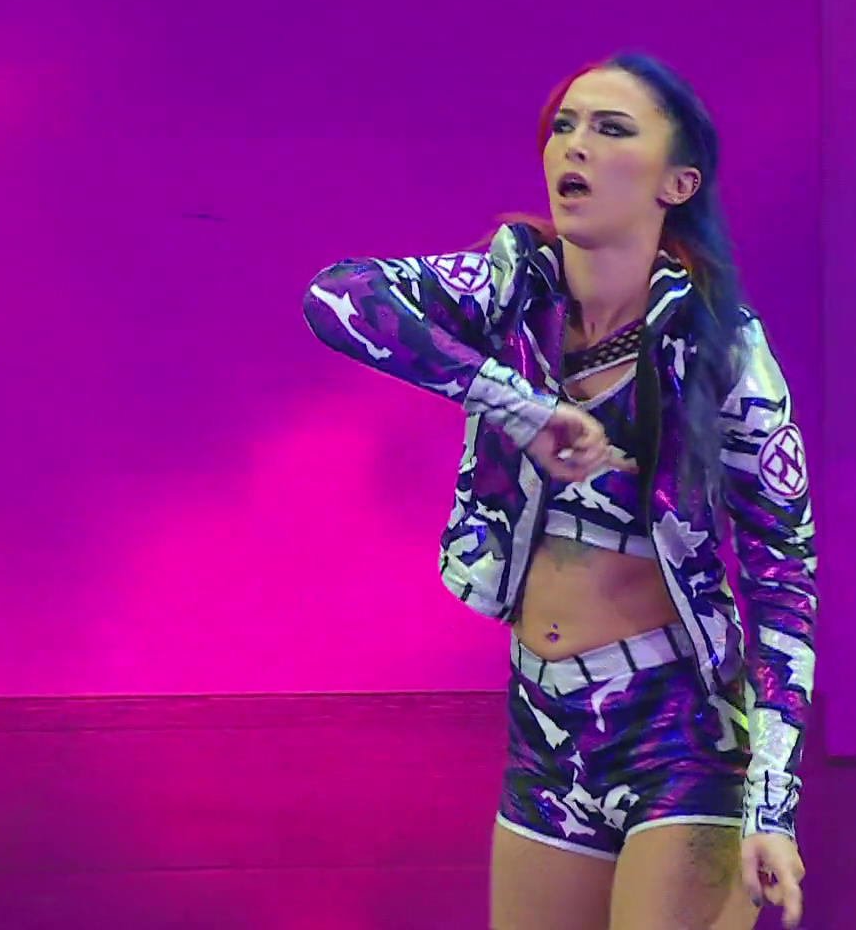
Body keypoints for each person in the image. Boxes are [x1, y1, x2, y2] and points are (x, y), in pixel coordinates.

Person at [301, 53, 817, 930]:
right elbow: (337, 297)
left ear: (677, 182)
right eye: (565, 125)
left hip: (680, 734)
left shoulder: (722, 346)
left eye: (612, 129)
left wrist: (772, 804)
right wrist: (521, 405)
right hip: (542, 725)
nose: (575, 145)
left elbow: (783, 574)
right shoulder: (510, 294)